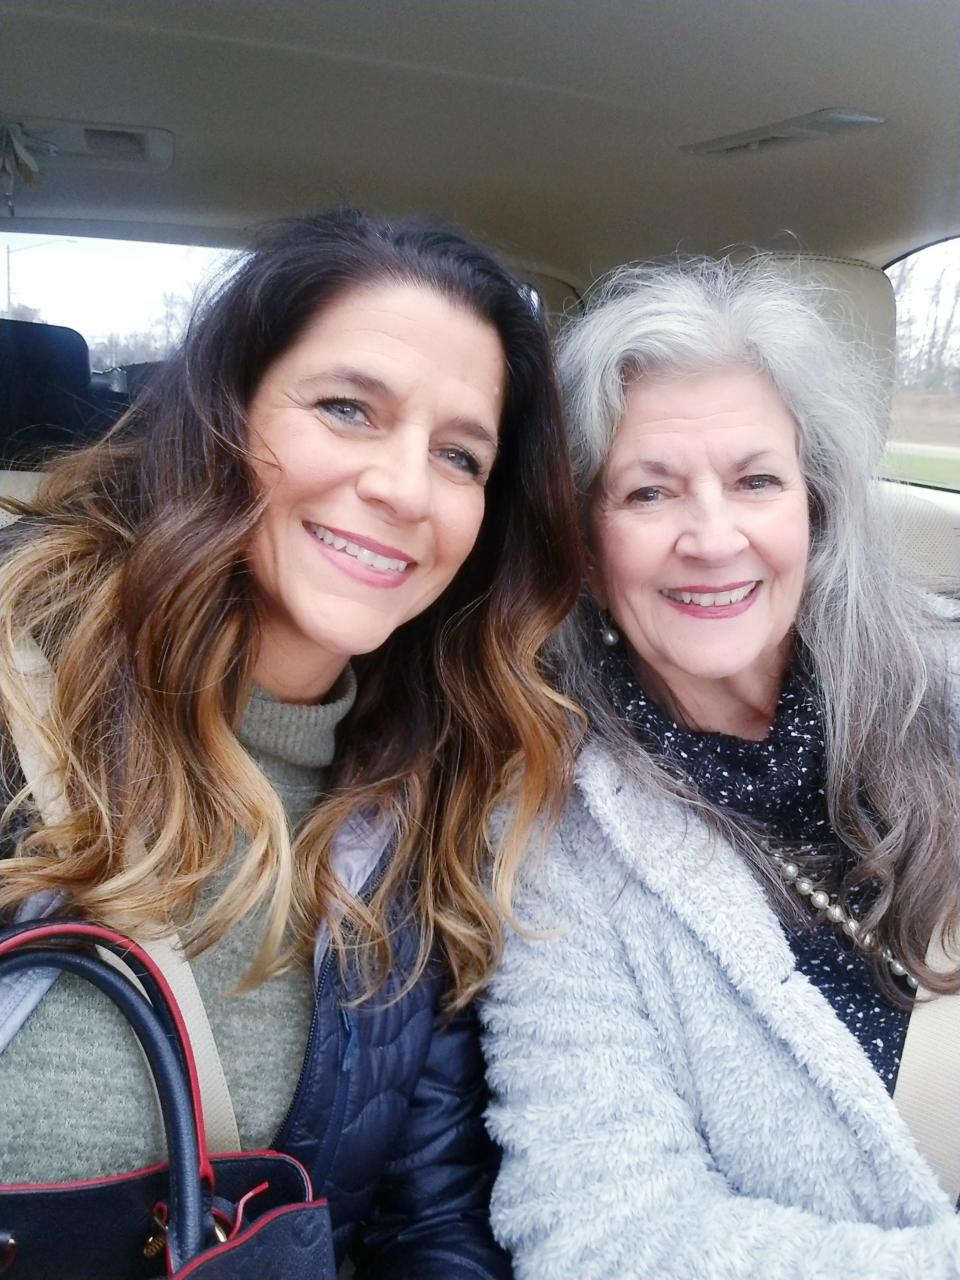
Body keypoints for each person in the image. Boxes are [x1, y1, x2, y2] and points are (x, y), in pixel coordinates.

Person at [0, 208, 582, 1278]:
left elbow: (427, 1218)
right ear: (226, 414)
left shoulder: (437, 802)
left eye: (460, 454)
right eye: (348, 408)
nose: (405, 487)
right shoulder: (16, 683)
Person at [482, 256, 960, 1278]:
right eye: (650, 491)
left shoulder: (944, 692)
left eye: (756, 480)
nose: (712, 537)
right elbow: (604, 1234)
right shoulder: (554, 844)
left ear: (815, 509)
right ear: (586, 545)